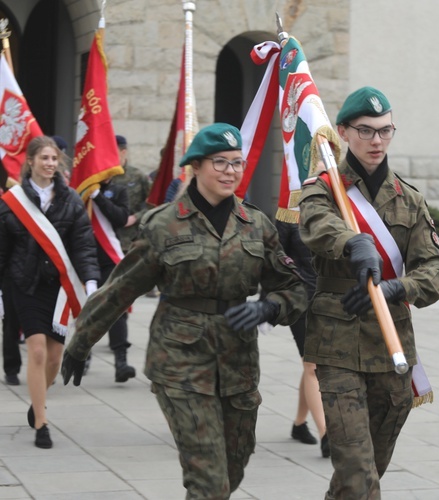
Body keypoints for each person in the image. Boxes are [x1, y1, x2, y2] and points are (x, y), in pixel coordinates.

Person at [60, 123, 308, 498]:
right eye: (220, 162)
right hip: (180, 360)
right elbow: (119, 290)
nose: (230, 171)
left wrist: (269, 308)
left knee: (232, 467)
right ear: (196, 165)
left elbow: (294, 287)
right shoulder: (163, 224)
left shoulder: (257, 225)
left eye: (237, 163)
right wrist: (80, 344)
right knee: (208, 482)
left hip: (238, 364)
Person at [298, 86, 439, 499]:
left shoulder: (410, 200)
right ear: (344, 133)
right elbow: (314, 224)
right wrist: (353, 241)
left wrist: (397, 287)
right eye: (366, 131)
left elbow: (435, 271)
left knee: (365, 475)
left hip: (391, 346)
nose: (377, 140)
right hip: (338, 346)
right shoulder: (322, 188)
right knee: (358, 474)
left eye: (385, 131)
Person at [0, 135, 100, 449]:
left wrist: (92, 281)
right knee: (38, 350)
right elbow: (2, 250)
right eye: (44, 158)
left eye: (54, 159)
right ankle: (42, 424)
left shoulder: (70, 199)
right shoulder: (12, 201)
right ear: (30, 161)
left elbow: (83, 245)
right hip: (24, 284)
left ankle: (36, 402)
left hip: (58, 288)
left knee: (56, 359)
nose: (50, 163)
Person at [274, 215, 328, 457]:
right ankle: (327, 433)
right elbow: (275, 259)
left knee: (311, 365)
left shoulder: (340, 212)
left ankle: (298, 423)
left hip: (332, 301)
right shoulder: (289, 216)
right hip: (302, 301)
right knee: (313, 365)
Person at [88, 177, 136, 382]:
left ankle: (121, 361)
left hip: (110, 259)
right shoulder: (78, 189)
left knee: (117, 310)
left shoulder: (118, 190)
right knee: (87, 311)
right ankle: (81, 355)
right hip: (84, 259)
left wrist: (97, 197)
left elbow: (121, 218)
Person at [110, 135, 151, 253]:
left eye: (113, 151)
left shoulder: (137, 176)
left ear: (123, 152)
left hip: (133, 239)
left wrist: (136, 217)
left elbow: (153, 204)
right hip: (109, 238)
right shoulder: (104, 177)